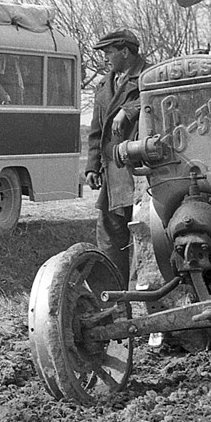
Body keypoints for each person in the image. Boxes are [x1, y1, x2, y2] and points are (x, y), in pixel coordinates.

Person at [85, 29, 148, 285]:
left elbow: (160, 99)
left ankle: (150, 295)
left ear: (126, 51)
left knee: (148, 235)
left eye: (109, 53)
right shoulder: (103, 84)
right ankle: (113, 302)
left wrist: (130, 109)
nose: (106, 59)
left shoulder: (149, 76)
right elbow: (96, 130)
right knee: (109, 238)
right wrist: (92, 166)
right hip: (112, 174)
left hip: (143, 174)